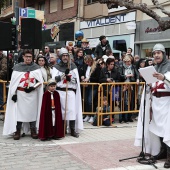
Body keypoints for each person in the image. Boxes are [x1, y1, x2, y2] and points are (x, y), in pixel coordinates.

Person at [135, 43, 170, 168]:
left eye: (158, 53)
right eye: (154, 53)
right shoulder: (155, 67)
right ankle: (163, 151)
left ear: (164, 54)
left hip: (167, 102)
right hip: (156, 102)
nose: (156, 55)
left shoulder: (169, 66)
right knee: (158, 129)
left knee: (168, 129)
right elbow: (154, 85)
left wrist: (164, 78)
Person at [3, 49, 44, 140]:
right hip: (21, 94)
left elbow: (40, 82)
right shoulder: (17, 68)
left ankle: (33, 130)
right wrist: (14, 94)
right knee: (19, 113)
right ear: (23, 57)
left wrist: (33, 87)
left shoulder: (36, 68)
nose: (28, 58)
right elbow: (14, 83)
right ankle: (17, 131)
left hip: (32, 94)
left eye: (30, 57)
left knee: (32, 112)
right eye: (27, 57)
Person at [52, 47, 83, 138]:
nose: (65, 57)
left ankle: (72, 129)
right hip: (60, 91)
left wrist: (70, 79)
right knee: (61, 111)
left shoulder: (73, 66)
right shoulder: (56, 67)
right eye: (63, 56)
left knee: (72, 110)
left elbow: (77, 81)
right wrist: (62, 76)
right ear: (61, 57)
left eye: (66, 56)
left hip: (70, 92)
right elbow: (53, 79)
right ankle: (63, 129)